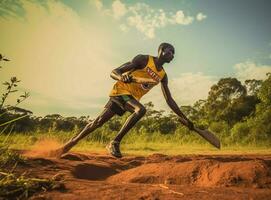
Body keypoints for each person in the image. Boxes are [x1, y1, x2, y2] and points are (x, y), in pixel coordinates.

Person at [54, 43, 194, 158]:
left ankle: (67, 145)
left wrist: (185, 118)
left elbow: (169, 100)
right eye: (171, 51)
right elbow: (114, 72)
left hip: (131, 98)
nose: (173, 55)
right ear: (162, 50)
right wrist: (122, 77)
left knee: (98, 122)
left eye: (174, 54)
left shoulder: (163, 75)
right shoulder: (143, 59)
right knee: (141, 110)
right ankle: (114, 142)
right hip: (121, 92)